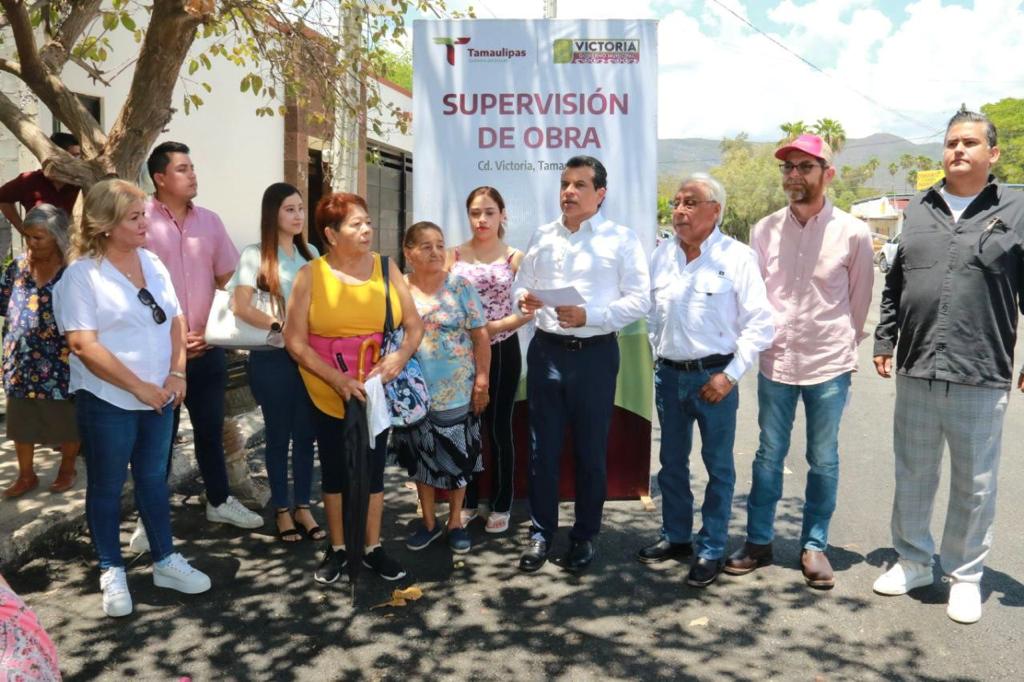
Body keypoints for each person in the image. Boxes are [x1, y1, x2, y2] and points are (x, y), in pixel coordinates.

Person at [871, 109, 1024, 624]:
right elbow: (895, 281)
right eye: (952, 142)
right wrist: (885, 337)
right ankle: (914, 561)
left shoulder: (1017, 209)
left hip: (981, 370)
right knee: (913, 472)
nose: (958, 150)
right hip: (916, 366)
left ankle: (965, 575)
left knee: (974, 483)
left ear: (992, 153)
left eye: (970, 142)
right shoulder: (918, 208)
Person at [54, 178, 210, 618]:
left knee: (153, 479)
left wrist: (177, 372)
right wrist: (138, 386)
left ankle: (164, 559)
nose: (146, 223)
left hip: (160, 395)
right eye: (135, 217)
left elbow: (175, 319)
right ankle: (112, 569)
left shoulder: (152, 261)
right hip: (108, 400)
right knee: (106, 485)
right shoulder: (81, 276)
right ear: (105, 224)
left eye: (144, 215)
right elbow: (83, 344)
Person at [725, 134, 874, 590]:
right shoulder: (764, 229)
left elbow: (860, 302)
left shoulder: (853, 232)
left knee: (822, 458)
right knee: (768, 455)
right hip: (776, 362)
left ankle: (814, 546)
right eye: (788, 167)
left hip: (828, 364)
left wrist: (842, 345)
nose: (794, 175)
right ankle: (758, 541)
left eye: (804, 167)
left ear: (827, 174)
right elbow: (754, 296)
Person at [512, 155, 650, 573]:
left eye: (579, 185)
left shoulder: (621, 240)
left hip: (594, 356)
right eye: (565, 184)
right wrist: (524, 298)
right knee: (542, 451)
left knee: (591, 452)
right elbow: (522, 284)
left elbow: (640, 300)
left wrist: (591, 315)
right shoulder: (542, 235)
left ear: (600, 193)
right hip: (546, 353)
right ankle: (541, 533)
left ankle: (585, 535)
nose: (569, 192)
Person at [636, 174, 774, 588]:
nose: (679, 210)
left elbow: (760, 324)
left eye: (690, 203)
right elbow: (651, 314)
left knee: (718, 467)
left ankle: (711, 547)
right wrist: (658, 355)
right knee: (671, 464)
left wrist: (729, 376)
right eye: (676, 202)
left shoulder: (737, 257)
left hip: (715, 379)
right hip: (669, 376)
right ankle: (677, 536)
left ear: (715, 210)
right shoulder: (662, 255)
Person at [285, 192, 423, 584]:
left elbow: (414, 324)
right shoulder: (310, 275)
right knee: (334, 470)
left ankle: (373, 547)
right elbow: (294, 341)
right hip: (327, 389)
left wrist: (399, 358)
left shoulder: (386, 267)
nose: (366, 230)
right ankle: (339, 548)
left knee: (374, 470)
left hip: (375, 390)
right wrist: (336, 380)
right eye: (355, 224)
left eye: (367, 222)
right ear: (331, 234)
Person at [142, 140, 262, 550]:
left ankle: (219, 500)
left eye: (192, 167)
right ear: (160, 178)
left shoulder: (209, 222)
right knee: (158, 441)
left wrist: (213, 330)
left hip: (207, 349)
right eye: (182, 169)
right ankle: (150, 518)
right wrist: (174, 340)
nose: (192, 174)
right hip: (158, 356)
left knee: (210, 431)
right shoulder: (139, 221)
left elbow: (229, 281)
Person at [229, 183, 322, 543]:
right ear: (273, 213)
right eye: (289, 209)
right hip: (272, 358)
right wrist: (278, 325)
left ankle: (303, 506)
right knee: (279, 435)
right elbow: (240, 305)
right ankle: (282, 509)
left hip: (308, 358)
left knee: (306, 436)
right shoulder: (255, 255)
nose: (298, 216)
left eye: (300, 208)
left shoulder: (311, 253)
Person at [448, 186, 532, 534]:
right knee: (464, 429)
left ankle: (500, 503)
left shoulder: (515, 258)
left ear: (502, 215)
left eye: (489, 212)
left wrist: (488, 328)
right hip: (459, 353)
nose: (481, 220)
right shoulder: (453, 255)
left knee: (498, 428)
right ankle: (466, 502)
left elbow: (528, 311)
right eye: (475, 213)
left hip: (502, 349)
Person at [403, 221, 490, 554]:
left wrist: (482, 380)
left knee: (458, 458)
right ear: (409, 252)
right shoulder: (399, 289)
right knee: (421, 458)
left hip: (457, 390)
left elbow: (481, 336)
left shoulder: (460, 286)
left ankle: (455, 522)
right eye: (426, 246)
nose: (436, 252)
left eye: (440, 245)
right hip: (413, 393)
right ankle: (428, 522)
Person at [0, 205, 79, 497]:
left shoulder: (73, 271)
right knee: (21, 420)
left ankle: (67, 469)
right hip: (20, 359)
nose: (30, 243)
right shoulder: (18, 267)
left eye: (38, 237)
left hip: (61, 359)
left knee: (66, 419)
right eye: (27, 237)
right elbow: (4, 305)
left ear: (57, 237)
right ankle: (26, 475)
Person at [0, 132, 82, 237]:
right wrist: (23, 231)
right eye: (74, 156)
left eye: (79, 156)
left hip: (74, 245)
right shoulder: (30, 180)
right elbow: (3, 198)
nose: (78, 161)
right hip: (38, 246)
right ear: (56, 156)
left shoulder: (82, 183)